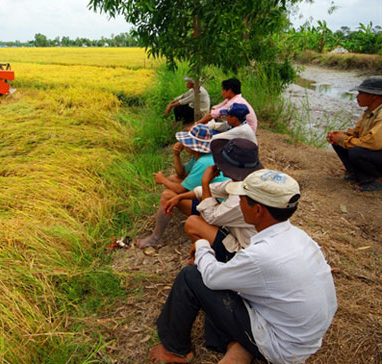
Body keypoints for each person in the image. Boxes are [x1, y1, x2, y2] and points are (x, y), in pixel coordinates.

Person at [150, 169, 337, 364]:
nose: (237, 203)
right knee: (227, 282)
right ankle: (239, 346)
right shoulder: (300, 237)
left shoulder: (261, 255)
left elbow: (212, 277)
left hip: (281, 346)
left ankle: (175, 349)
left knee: (191, 276)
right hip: (304, 338)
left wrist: (201, 245)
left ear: (258, 210)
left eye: (241, 200)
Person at [163, 138, 263, 263]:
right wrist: (180, 197)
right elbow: (215, 189)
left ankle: (215, 260)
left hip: (245, 250)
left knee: (193, 223)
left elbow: (210, 216)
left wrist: (205, 182)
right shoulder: (243, 181)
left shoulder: (240, 200)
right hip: (238, 232)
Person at [135, 125, 228, 249]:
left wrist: (162, 180)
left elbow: (181, 190)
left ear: (194, 146)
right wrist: (176, 155)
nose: (184, 144)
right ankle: (167, 212)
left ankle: (155, 238)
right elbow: (181, 173)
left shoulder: (203, 162)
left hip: (217, 208)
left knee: (167, 196)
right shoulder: (202, 157)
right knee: (174, 179)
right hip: (213, 195)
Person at [327, 76, 382, 192]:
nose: (357, 97)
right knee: (339, 143)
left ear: (374, 96)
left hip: (378, 150)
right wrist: (340, 135)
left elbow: (372, 143)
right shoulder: (370, 111)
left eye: (361, 93)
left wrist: (343, 139)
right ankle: (355, 173)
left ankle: (376, 180)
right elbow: (357, 131)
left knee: (356, 152)